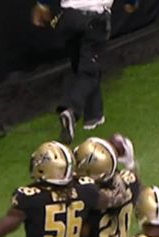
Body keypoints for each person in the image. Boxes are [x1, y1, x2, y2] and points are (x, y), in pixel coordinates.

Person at [32, 0, 139, 144]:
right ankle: (71, 111)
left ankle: (94, 115)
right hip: (95, 20)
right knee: (89, 72)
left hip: (68, 19)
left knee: (81, 66)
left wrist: (42, 5)